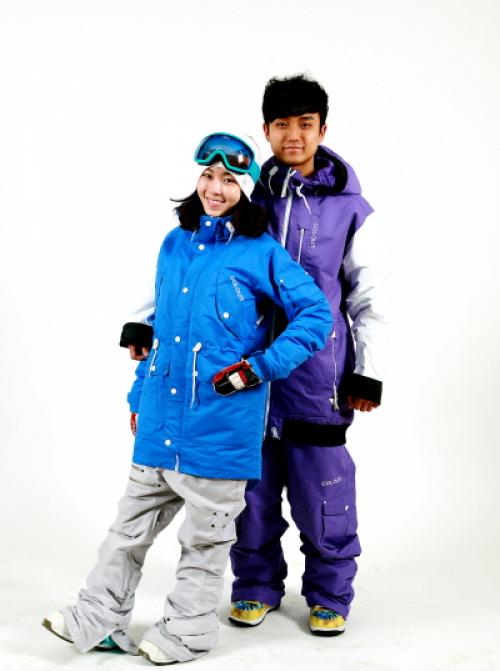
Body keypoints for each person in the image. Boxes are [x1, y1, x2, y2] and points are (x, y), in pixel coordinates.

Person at [42, 132, 333, 665]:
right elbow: (161, 328)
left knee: (203, 543)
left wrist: (260, 367)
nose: (214, 188)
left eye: (228, 180)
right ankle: (97, 617)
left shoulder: (261, 253)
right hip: (160, 418)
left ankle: (186, 633)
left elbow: (316, 315)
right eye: (207, 176)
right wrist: (138, 393)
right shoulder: (175, 243)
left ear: (245, 189)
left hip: (220, 424)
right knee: (126, 532)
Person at [228, 75, 388, 636]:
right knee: (250, 492)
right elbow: (200, 264)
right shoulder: (246, 194)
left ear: (322, 129)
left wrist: (367, 371)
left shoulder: (350, 209)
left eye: (305, 124)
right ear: (266, 129)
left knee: (324, 490)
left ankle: (329, 593)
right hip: (246, 370)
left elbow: (368, 293)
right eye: (282, 124)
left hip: (318, 374)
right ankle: (254, 585)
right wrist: (147, 321)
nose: (293, 135)